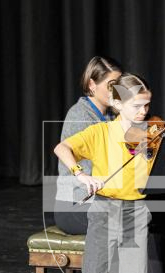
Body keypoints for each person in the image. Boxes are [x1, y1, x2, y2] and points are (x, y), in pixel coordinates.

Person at [54, 72, 157, 273]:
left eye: (147, 105)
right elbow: (62, 148)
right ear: (117, 103)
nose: (144, 111)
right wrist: (81, 175)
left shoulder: (148, 134)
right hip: (105, 211)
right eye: (138, 105)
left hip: (136, 212)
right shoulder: (100, 133)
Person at [54, 56, 122, 234]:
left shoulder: (111, 116)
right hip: (75, 205)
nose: (117, 91)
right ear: (92, 85)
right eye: (111, 85)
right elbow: (64, 150)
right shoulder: (80, 115)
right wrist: (80, 173)